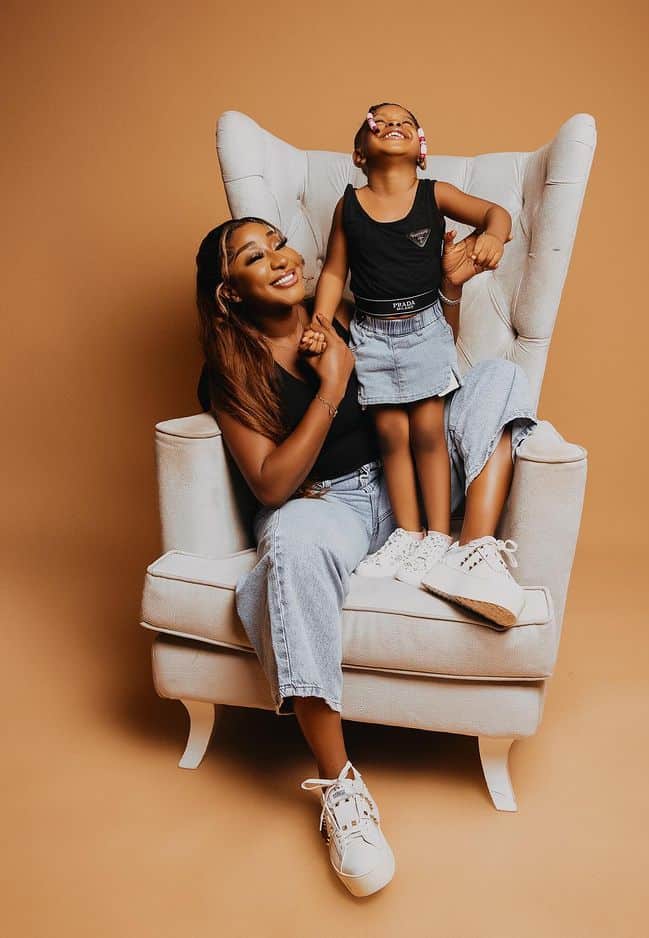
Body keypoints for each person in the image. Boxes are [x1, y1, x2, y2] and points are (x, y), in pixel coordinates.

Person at [195, 215, 537, 897]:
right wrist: (331, 387)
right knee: (291, 545)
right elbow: (269, 484)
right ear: (230, 291)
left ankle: (472, 554)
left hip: (407, 479)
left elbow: (427, 372)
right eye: (255, 257)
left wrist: (447, 290)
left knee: (499, 377)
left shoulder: (345, 314)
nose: (280, 259)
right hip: (328, 505)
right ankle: (341, 789)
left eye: (279, 243)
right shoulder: (230, 372)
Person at [305, 102, 516, 594]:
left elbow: (496, 212)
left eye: (404, 121)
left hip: (424, 328)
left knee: (426, 430)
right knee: (391, 434)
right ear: (360, 153)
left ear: (421, 149)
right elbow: (335, 271)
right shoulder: (348, 206)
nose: (393, 124)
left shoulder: (434, 193)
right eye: (378, 121)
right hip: (371, 333)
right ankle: (408, 532)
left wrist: (494, 235)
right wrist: (321, 319)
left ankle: (439, 534)